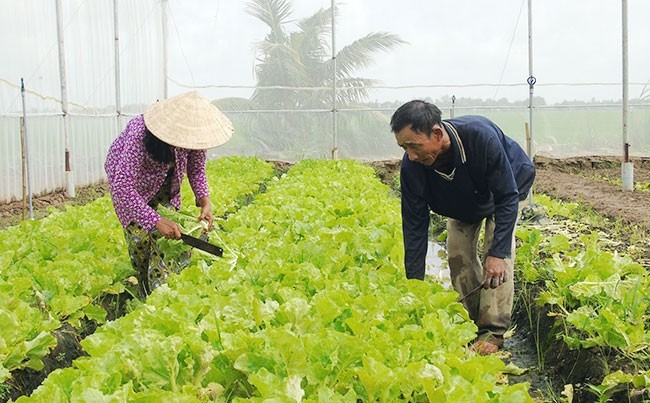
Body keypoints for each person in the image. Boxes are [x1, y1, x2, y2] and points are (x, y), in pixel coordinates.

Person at [390, 100, 535, 355]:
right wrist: (414, 289)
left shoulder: (480, 138)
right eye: (404, 147)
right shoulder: (413, 166)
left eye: (414, 146)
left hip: (507, 188)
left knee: (496, 252)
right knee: (457, 252)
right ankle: (472, 322)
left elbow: (506, 196)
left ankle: (492, 331)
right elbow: (414, 227)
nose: (410, 155)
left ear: (436, 134)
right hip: (461, 199)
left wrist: (498, 254)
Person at [105, 91, 233, 298]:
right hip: (133, 189)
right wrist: (155, 221)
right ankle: (144, 290)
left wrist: (205, 200)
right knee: (140, 245)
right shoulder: (140, 133)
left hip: (167, 186)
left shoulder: (196, 135)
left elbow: (196, 169)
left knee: (169, 245)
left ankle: (161, 297)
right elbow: (122, 186)